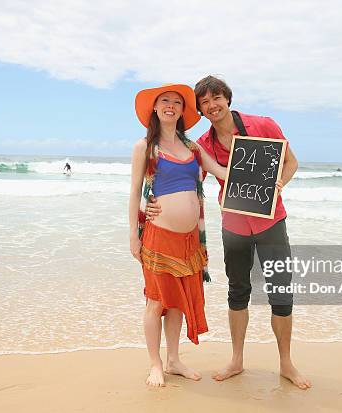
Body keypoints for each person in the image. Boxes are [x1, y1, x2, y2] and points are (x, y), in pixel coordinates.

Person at [146, 76, 311, 390]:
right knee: (238, 291)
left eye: (216, 98)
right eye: (204, 102)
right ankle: (237, 359)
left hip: (271, 220)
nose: (211, 106)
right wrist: (153, 203)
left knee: (281, 293)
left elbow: (290, 162)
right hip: (234, 225)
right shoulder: (204, 143)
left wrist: (279, 183)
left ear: (227, 98)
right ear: (201, 109)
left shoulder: (263, 125)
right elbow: (183, 176)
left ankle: (286, 363)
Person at [129, 83, 227, 387]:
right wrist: (133, 234)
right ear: (155, 109)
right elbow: (134, 193)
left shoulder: (193, 148)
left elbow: (223, 171)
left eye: (177, 102)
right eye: (164, 101)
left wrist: (267, 169)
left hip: (188, 242)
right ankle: (155, 364)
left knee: (177, 303)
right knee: (156, 303)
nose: (171, 105)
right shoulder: (145, 146)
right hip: (158, 237)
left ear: (183, 110)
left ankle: (173, 360)